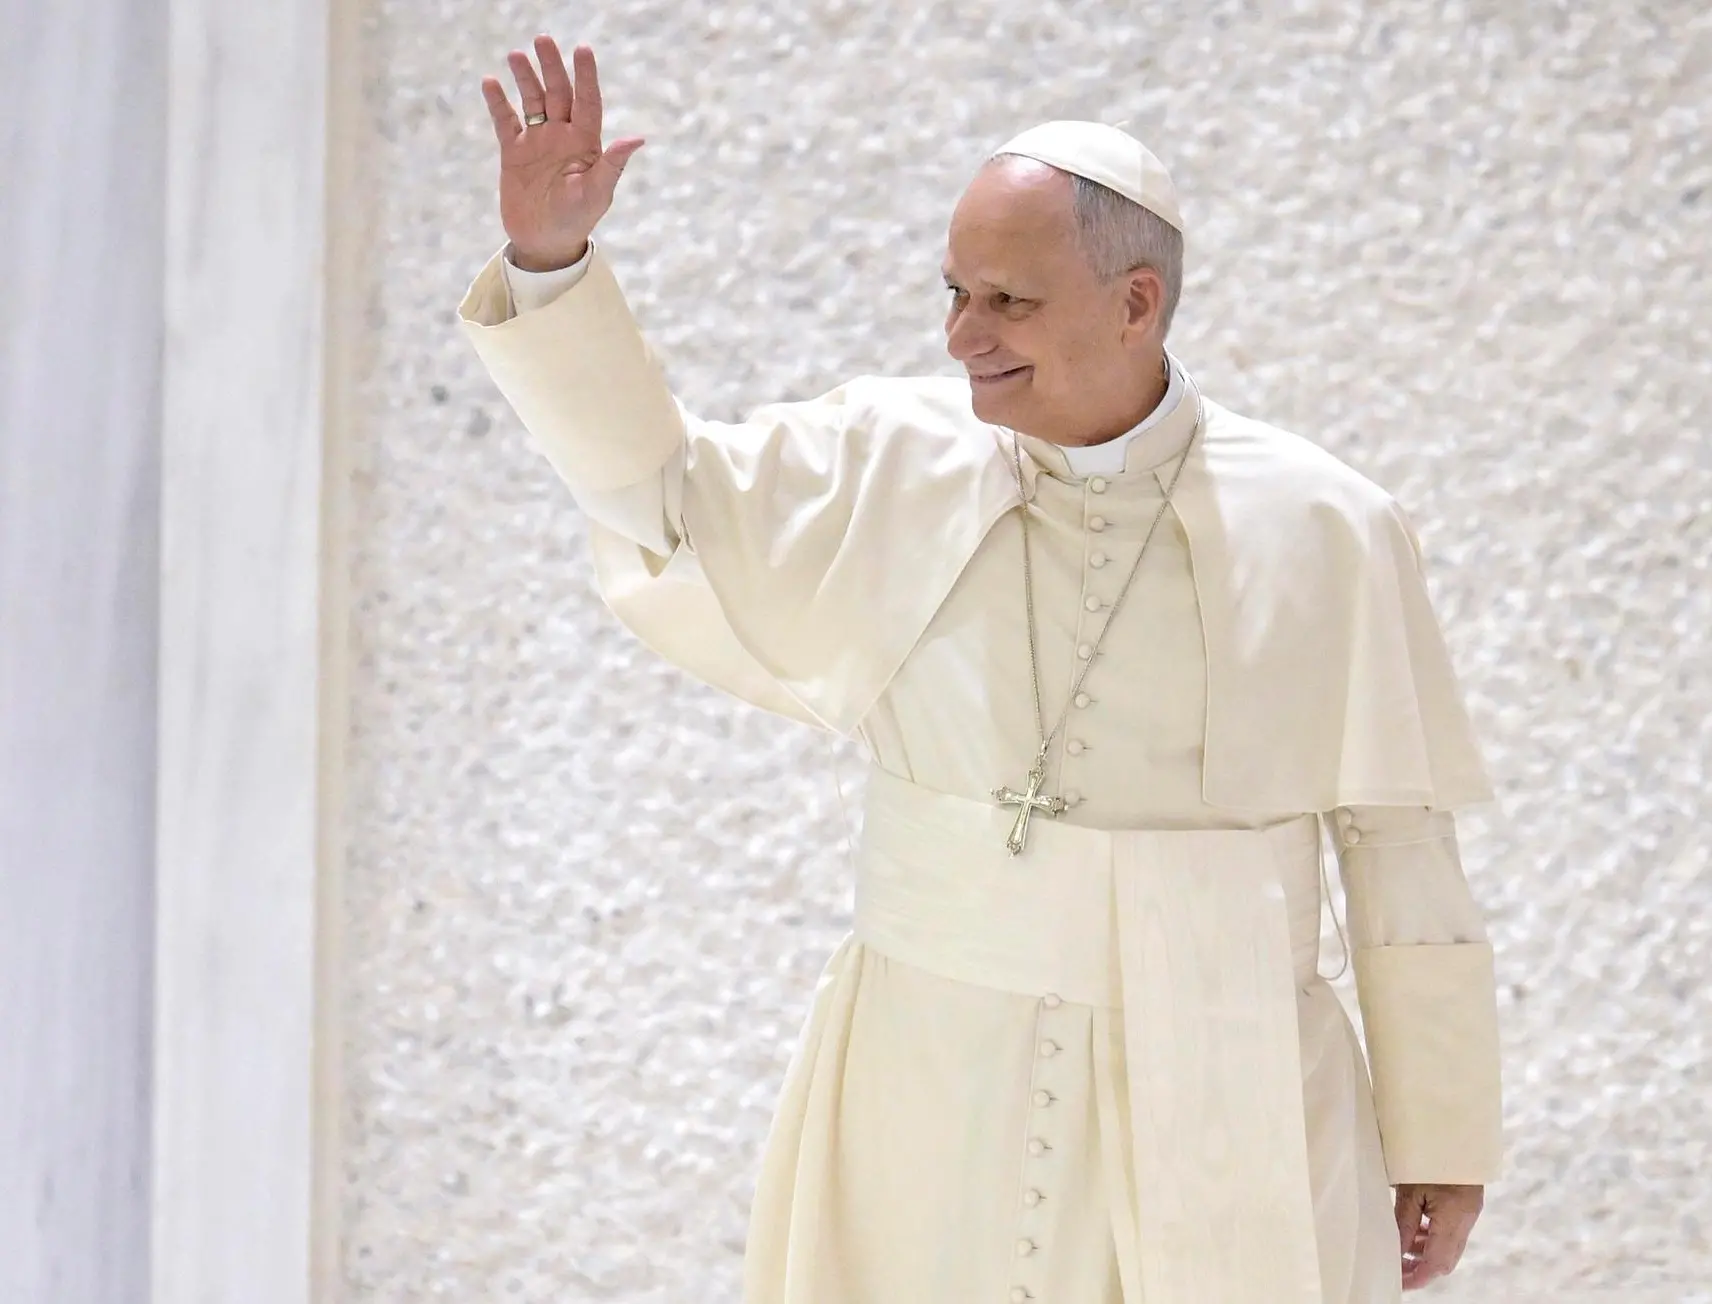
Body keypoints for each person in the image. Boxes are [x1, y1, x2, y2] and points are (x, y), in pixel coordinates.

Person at [460, 33, 1503, 1304]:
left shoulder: (1327, 523)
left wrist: (1442, 1132)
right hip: (931, 1069)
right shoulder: (887, 455)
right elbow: (656, 496)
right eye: (952, 293)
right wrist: (553, 262)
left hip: (1231, 1064)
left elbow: (1399, 840)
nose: (964, 337)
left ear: (1137, 303)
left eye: (1008, 300)